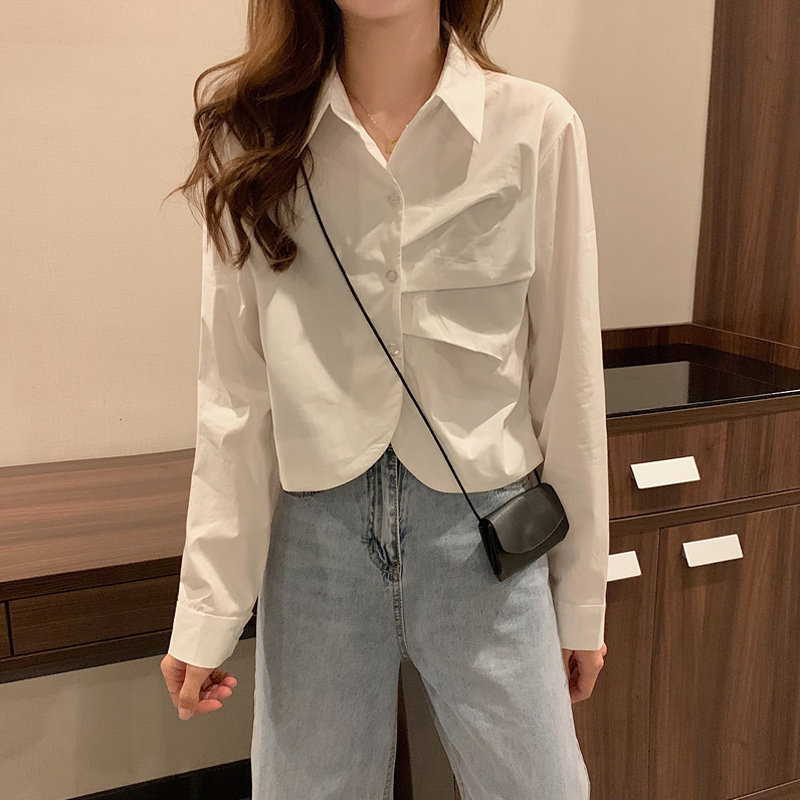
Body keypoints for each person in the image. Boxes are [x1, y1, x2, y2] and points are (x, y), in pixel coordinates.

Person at [161, 1, 609, 797]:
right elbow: (235, 396)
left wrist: (581, 599)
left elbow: (568, 378)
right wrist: (207, 608)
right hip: (315, 543)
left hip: (486, 539)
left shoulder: (536, 128)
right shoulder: (254, 139)